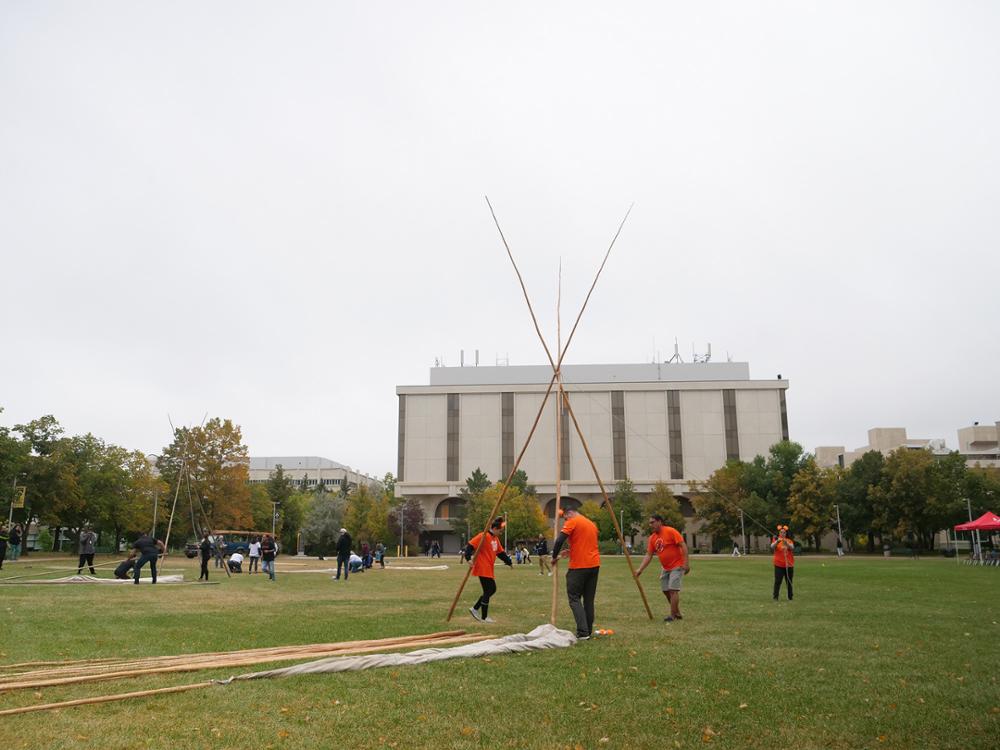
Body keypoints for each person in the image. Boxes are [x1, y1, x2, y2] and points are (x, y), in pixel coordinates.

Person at [551, 508, 601, 640]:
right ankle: (588, 630)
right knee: (588, 600)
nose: (566, 521)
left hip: (579, 566)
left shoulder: (572, 521)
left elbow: (559, 540)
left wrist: (554, 556)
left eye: (566, 518)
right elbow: (585, 543)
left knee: (574, 597)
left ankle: (583, 633)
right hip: (594, 565)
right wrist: (571, 550)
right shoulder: (591, 524)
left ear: (569, 514)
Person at [636, 514, 690, 622]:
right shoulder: (652, 538)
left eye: (652, 522)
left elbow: (682, 545)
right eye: (650, 523)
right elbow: (649, 555)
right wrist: (640, 569)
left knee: (673, 590)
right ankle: (677, 612)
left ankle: (672, 615)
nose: (651, 525)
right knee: (665, 590)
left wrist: (686, 563)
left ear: (659, 521)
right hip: (665, 567)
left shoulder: (670, 531)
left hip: (677, 565)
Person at [466, 517, 513, 623]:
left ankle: (475, 609)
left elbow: (500, 553)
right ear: (495, 528)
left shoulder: (495, 539)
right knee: (490, 589)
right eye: (500, 531)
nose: (500, 533)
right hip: (482, 567)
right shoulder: (483, 536)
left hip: (489, 568)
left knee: (490, 590)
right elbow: (469, 546)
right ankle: (483, 616)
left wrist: (509, 561)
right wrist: (468, 558)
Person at [771, 525, 795, 601]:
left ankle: (790, 597)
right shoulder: (776, 541)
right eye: (781, 532)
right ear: (779, 533)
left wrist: (786, 543)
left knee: (789, 582)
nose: (782, 534)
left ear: (786, 533)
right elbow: (772, 546)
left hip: (789, 565)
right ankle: (775, 597)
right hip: (779, 565)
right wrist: (777, 541)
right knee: (777, 581)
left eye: (784, 533)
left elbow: (792, 547)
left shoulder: (789, 541)